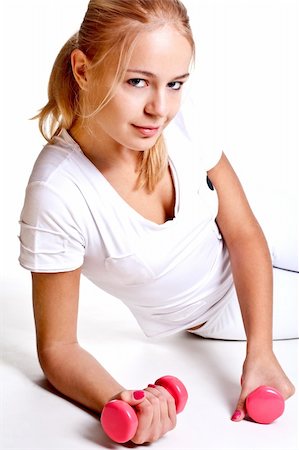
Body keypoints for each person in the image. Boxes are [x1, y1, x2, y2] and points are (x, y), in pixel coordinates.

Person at [18, 0, 296, 444]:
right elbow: (58, 349)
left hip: (271, 228)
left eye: (176, 84)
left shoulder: (177, 124)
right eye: (137, 82)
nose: (160, 109)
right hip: (216, 313)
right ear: (83, 70)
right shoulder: (57, 193)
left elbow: (244, 232)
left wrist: (259, 350)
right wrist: (122, 399)